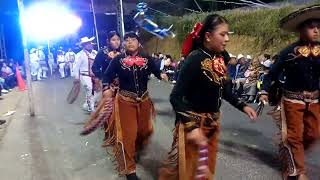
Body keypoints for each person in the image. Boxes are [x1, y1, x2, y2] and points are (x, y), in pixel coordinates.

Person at [158, 14, 257, 180]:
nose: (227, 39)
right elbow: (176, 97)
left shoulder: (219, 59)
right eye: (222, 34)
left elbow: (223, 91)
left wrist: (243, 106)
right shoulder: (195, 59)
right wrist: (192, 127)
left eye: (228, 34)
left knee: (205, 172)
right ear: (208, 36)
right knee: (189, 173)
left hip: (212, 125)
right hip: (194, 124)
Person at [260, 5, 320, 180]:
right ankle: (299, 171)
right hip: (292, 100)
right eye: (311, 26)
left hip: (315, 100)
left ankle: (290, 155)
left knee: (313, 134)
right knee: (294, 136)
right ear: (301, 29)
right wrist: (264, 90)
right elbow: (272, 73)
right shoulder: (288, 52)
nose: (316, 30)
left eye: (318, 26)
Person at [101, 32, 168, 180]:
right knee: (128, 136)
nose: (130, 42)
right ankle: (130, 171)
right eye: (127, 40)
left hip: (144, 101)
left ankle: (137, 150)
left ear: (138, 43)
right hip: (125, 102)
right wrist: (106, 88)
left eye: (133, 40)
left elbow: (156, 71)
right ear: (124, 44)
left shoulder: (146, 58)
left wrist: (161, 74)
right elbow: (106, 77)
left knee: (145, 132)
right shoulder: (118, 60)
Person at [73, 37, 98, 112]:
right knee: (90, 90)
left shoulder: (95, 53)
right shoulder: (80, 55)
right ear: (83, 45)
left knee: (96, 91)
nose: (89, 45)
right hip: (84, 76)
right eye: (87, 44)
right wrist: (77, 78)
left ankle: (87, 104)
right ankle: (91, 108)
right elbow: (76, 67)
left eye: (90, 43)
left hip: (94, 75)